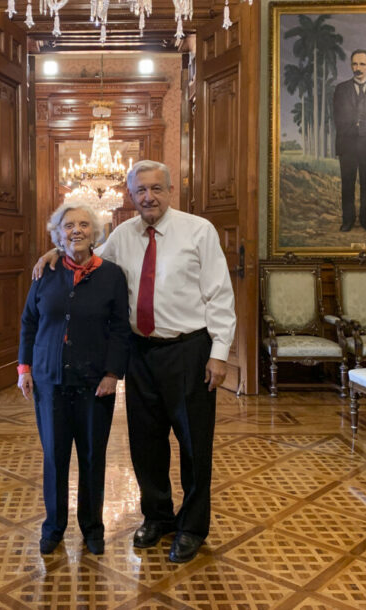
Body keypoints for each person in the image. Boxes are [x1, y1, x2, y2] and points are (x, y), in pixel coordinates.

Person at [32, 160, 236, 563]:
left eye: (156, 188)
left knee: (194, 445)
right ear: (130, 195)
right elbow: (86, 255)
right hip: (140, 353)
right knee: (146, 444)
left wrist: (219, 353)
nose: (149, 197)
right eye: (141, 190)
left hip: (189, 350)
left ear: (170, 190)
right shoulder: (123, 235)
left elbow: (220, 294)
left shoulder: (200, 231)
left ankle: (192, 526)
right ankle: (157, 516)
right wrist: (55, 250)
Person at [19, 201, 130, 556]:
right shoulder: (45, 272)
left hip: (95, 383)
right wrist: (24, 368)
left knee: (92, 457)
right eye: (69, 226)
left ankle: (93, 528)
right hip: (49, 381)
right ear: (59, 234)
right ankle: (53, 527)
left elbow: (120, 329)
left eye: (83, 225)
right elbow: (29, 322)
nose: (76, 231)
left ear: (95, 233)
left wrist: (113, 373)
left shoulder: (112, 275)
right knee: (54, 457)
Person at [333, 49, 366, 233]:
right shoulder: (341, 89)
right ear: (351, 65)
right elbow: (337, 116)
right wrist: (353, 126)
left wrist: (363, 128)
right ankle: (347, 220)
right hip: (347, 143)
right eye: (355, 63)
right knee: (347, 183)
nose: (358, 68)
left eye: (362, 64)